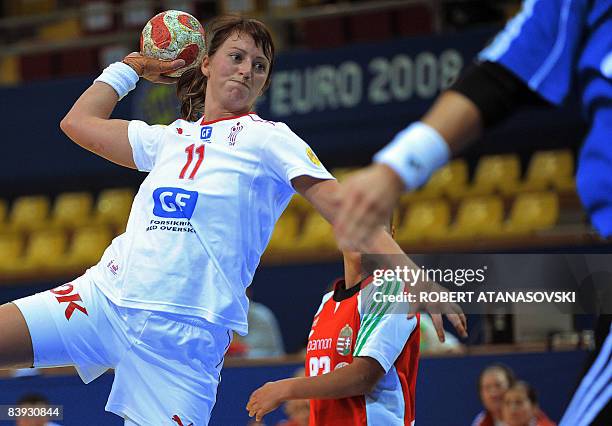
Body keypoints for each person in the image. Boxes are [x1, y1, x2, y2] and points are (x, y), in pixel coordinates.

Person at [0, 15, 466, 426]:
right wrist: (135, 68)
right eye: (236, 56)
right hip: (103, 299)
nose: (247, 69)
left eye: (258, 65)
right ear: (204, 64)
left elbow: (345, 208)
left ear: (263, 85)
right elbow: (77, 123)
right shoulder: (169, 138)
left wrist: (412, 275)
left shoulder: (270, 139)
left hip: (184, 342)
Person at [334, 1, 611, 424]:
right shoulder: (331, 302)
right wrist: (395, 169)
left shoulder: (391, 297)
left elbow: (362, 376)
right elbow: (509, 65)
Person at [246, 223, 420, 425]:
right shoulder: (327, 303)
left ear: (391, 236)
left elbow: (363, 376)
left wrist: (284, 389)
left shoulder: (389, 291)